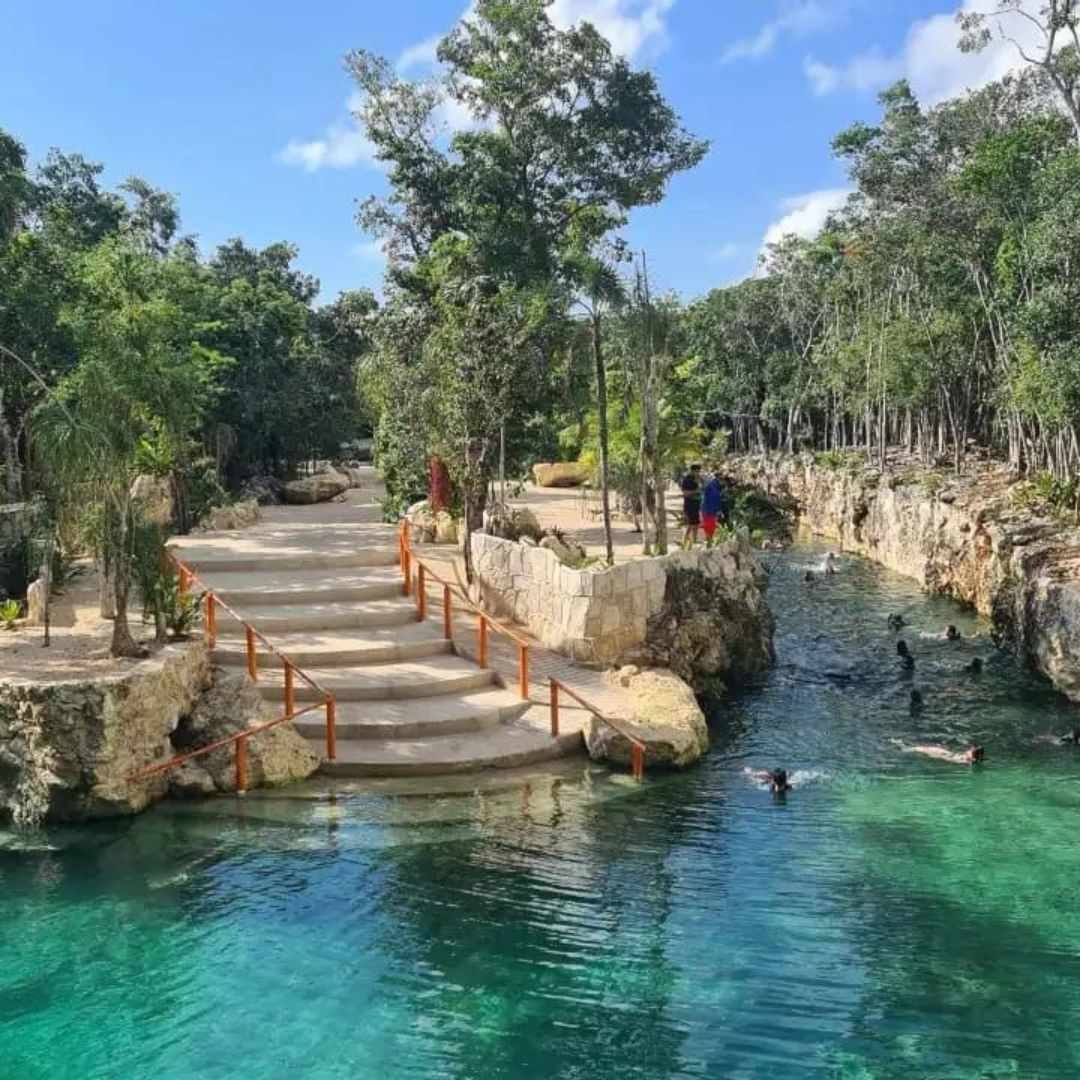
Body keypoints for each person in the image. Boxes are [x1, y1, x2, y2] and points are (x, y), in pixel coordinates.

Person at [680, 464, 703, 548]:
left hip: (696, 504)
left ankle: (695, 540)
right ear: (692, 471)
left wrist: (700, 482)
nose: (698, 473)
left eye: (699, 471)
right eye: (696, 471)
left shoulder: (698, 479)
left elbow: (702, 488)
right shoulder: (686, 480)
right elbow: (685, 493)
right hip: (689, 505)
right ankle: (684, 542)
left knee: (696, 524)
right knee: (689, 525)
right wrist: (696, 491)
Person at [701, 470, 726, 545]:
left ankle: (709, 543)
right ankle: (709, 544)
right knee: (710, 528)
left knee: (710, 528)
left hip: (708, 511)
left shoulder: (714, 486)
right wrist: (717, 511)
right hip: (709, 511)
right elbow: (712, 502)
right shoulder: (713, 488)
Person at [903, 743, 985, 765]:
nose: (969, 750)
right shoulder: (972, 760)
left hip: (948, 756)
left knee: (928, 750)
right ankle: (910, 748)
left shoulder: (969, 760)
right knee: (929, 750)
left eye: (971, 749)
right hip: (949, 755)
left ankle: (909, 748)